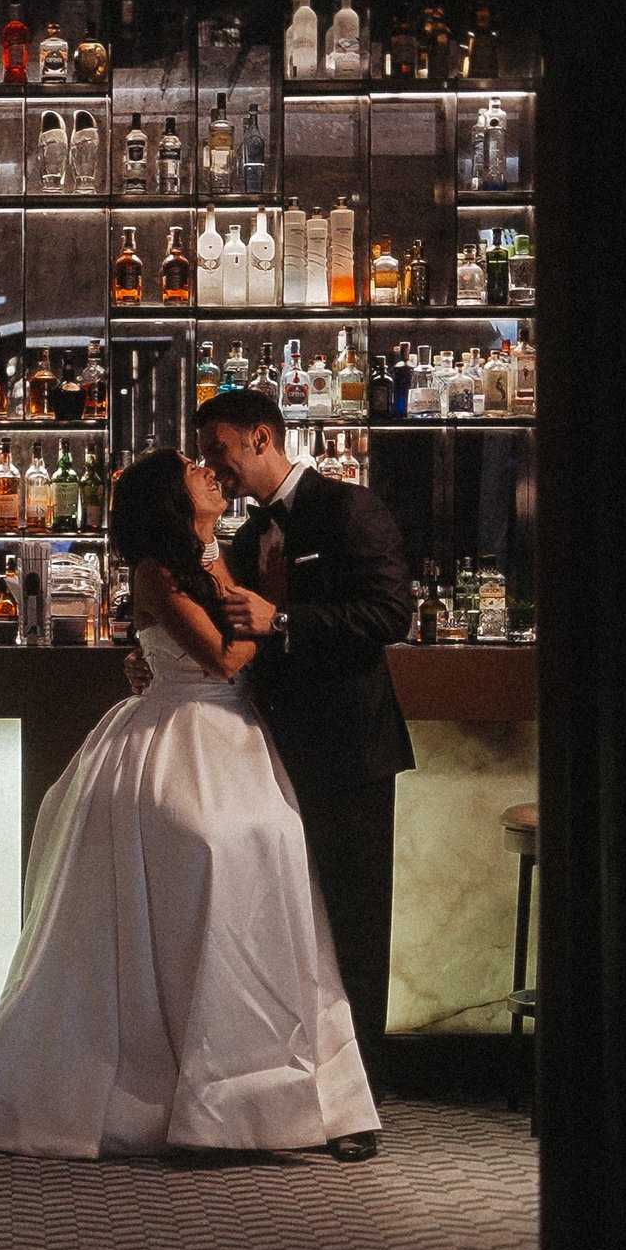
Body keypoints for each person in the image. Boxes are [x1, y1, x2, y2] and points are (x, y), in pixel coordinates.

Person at [0, 449, 379, 1160]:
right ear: (170, 499)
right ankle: (196, 1084)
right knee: (208, 847)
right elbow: (224, 656)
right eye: (194, 470)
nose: (210, 473)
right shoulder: (157, 571)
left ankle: (273, 1092)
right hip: (180, 738)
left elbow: (222, 642)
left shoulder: (213, 555)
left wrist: (251, 611)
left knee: (267, 863)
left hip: (235, 739)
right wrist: (272, 611)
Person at [182, 388, 415, 1158]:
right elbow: (236, 638)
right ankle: (299, 1092)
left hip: (349, 753)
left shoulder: (350, 509)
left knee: (354, 929)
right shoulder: (251, 535)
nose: (213, 465)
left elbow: (388, 616)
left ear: (261, 436)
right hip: (271, 755)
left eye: (218, 449)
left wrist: (282, 620)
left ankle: (360, 1110)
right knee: (290, 927)